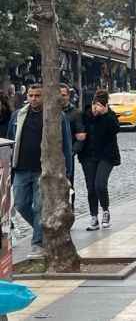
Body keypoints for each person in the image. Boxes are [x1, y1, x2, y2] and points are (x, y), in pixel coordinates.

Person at [7, 84, 74, 259]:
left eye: (38, 95)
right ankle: (46, 231)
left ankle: (37, 244)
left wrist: (67, 172)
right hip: (21, 168)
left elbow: (66, 144)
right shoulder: (18, 115)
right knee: (20, 204)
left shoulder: (56, 116)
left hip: (43, 169)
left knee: (39, 207)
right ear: (27, 96)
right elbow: (10, 141)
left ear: (44, 97)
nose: (34, 98)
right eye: (31, 95)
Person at [79, 90, 121, 231]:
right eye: (95, 104)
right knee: (91, 187)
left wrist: (105, 114)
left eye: (100, 104)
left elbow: (115, 129)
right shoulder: (86, 115)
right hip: (88, 156)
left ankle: (105, 211)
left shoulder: (109, 115)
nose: (97, 107)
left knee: (100, 185)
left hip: (106, 156)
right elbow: (80, 129)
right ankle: (93, 216)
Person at [60, 84, 86, 207]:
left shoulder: (75, 113)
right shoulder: (48, 112)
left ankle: (69, 210)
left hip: (66, 156)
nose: (60, 97)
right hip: (49, 155)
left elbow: (81, 136)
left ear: (68, 96)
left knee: (68, 184)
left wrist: (71, 152)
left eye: (63, 95)